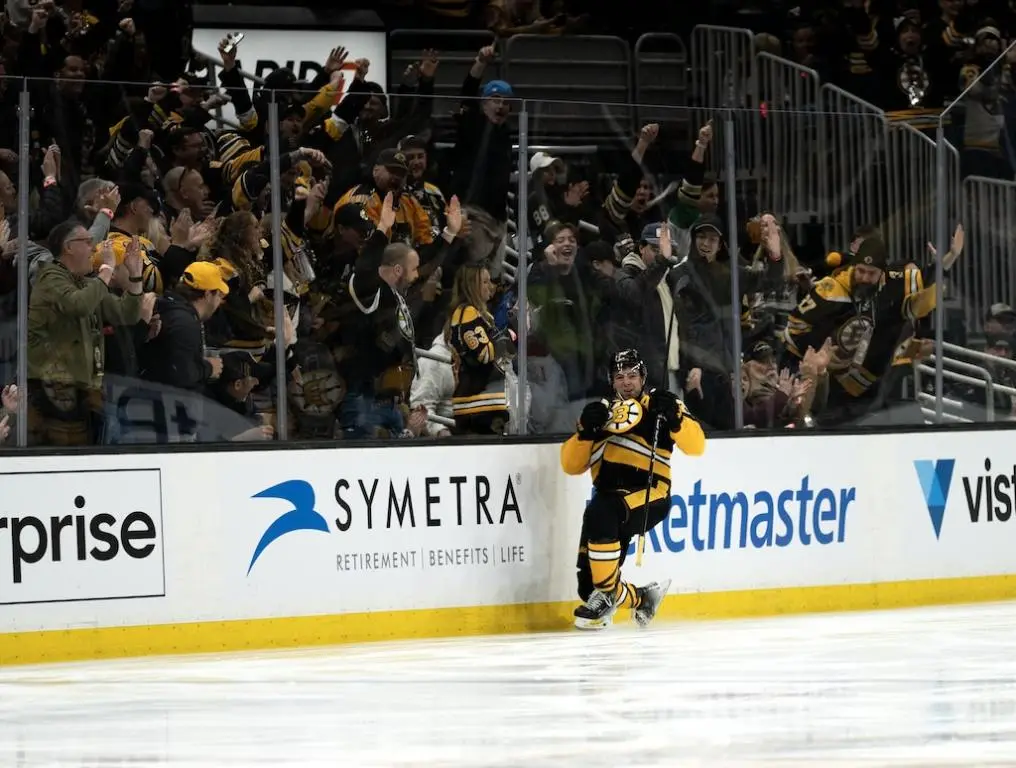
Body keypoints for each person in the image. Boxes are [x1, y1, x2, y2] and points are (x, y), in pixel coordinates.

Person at [560, 349, 706, 630]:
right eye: (620, 377)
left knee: (600, 512)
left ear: (643, 377)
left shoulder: (662, 405)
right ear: (611, 381)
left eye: (633, 375)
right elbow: (571, 465)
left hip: (651, 493)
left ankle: (606, 597)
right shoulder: (601, 413)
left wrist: (675, 417)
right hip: (608, 498)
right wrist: (584, 432)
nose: (627, 382)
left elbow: (697, 446)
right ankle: (642, 599)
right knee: (587, 585)